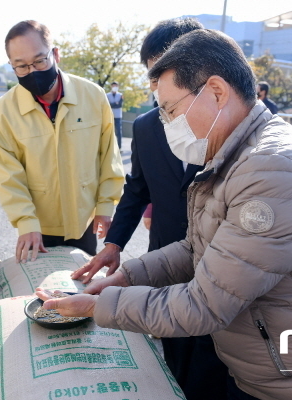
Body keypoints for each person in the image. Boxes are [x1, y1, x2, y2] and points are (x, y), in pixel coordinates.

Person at [38, 29, 292, 400]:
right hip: (267, 373)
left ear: (216, 91)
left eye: (170, 109)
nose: (166, 124)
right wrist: (125, 277)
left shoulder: (275, 170)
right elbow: (197, 248)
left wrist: (99, 306)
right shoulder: (235, 155)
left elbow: (205, 304)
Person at [71, 18, 228, 400]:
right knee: (173, 351)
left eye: (167, 73)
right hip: (167, 254)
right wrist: (115, 243)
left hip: (221, 264)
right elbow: (137, 188)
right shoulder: (145, 127)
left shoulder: (226, 127)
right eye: (152, 77)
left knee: (213, 361)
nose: (160, 87)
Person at [0, 20, 124, 262]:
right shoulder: (3, 111)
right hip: (37, 229)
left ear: (56, 54)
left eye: (40, 60)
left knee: (82, 291)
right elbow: (8, 174)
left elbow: (109, 158)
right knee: (40, 295)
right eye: (21, 66)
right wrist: (25, 221)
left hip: (84, 224)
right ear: (12, 66)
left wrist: (105, 207)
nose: (32, 71)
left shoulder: (93, 96)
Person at [106, 81, 123, 149]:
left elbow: (120, 105)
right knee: (109, 131)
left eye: (116, 86)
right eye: (113, 86)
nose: (114, 87)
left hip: (118, 116)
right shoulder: (107, 95)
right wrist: (115, 103)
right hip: (110, 115)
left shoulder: (120, 95)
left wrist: (113, 104)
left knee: (118, 132)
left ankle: (119, 147)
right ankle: (109, 147)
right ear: (111, 86)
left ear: (118, 86)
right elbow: (108, 105)